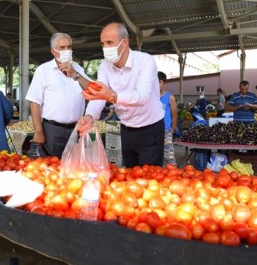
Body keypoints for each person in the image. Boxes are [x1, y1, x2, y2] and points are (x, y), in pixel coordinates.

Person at [76, 22, 165, 168]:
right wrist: (89, 116)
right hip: (126, 128)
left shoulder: (145, 61)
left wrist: (112, 96)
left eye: (110, 42)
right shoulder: (104, 66)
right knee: (130, 174)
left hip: (150, 128)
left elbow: (141, 97)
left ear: (124, 42)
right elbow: (99, 95)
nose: (105, 48)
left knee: (151, 178)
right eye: (103, 44)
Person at [25, 32, 91, 158]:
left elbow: (92, 89)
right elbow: (34, 102)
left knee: (74, 168)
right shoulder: (43, 70)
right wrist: (38, 131)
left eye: (69, 47)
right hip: (53, 130)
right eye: (62, 48)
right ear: (53, 51)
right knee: (53, 168)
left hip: (76, 129)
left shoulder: (78, 69)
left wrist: (75, 74)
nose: (67, 50)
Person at [158, 72, 178, 166]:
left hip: (166, 131)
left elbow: (174, 116)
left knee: (170, 159)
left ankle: (174, 177)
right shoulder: (151, 96)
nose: (157, 85)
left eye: (159, 82)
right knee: (155, 158)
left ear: (163, 83)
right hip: (153, 131)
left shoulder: (170, 97)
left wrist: (172, 130)